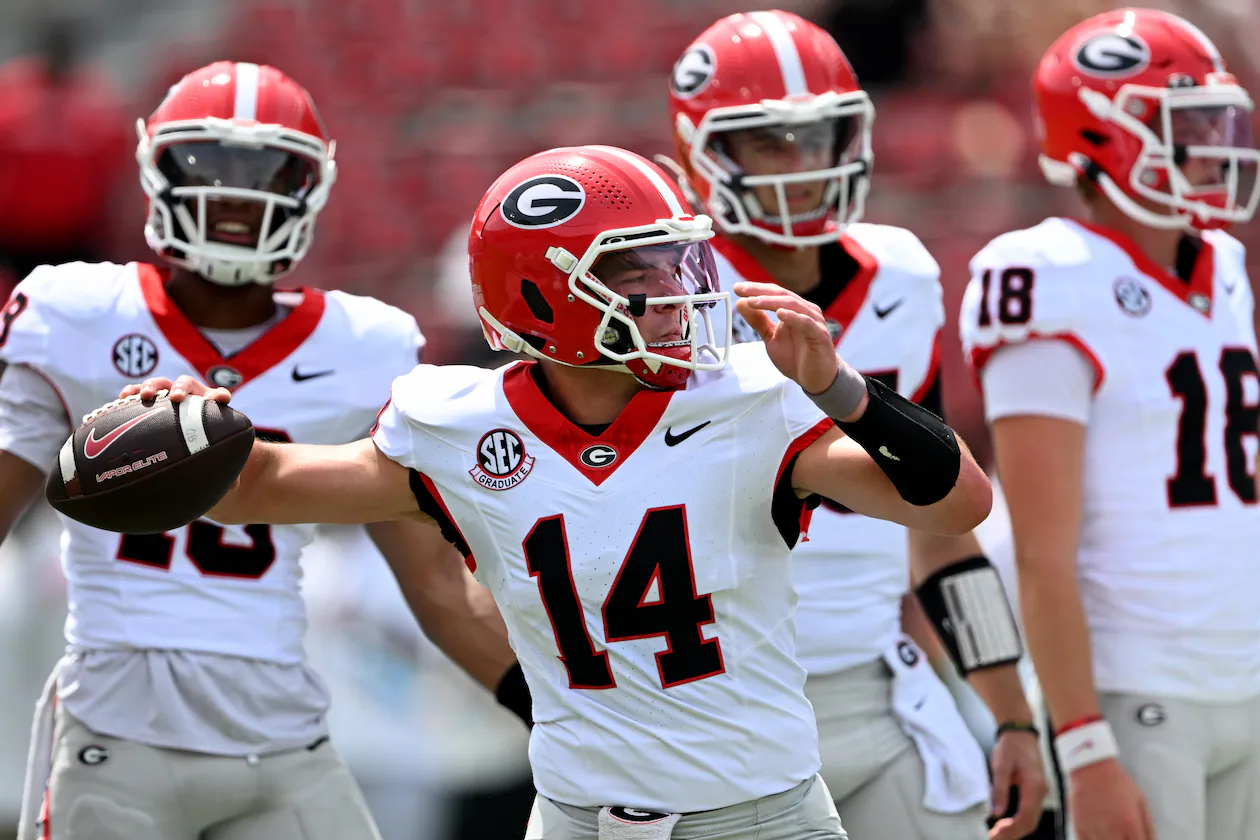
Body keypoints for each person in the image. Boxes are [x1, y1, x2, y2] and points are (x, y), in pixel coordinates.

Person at [123, 143, 993, 839]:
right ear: (542, 295)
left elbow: (959, 503)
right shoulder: (455, 425)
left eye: (678, 263)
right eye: (640, 274)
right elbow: (257, 488)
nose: (679, 295)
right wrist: (185, 423)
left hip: (757, 817)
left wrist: (842, 388)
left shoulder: (750, 400)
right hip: (577, 817)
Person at [0, 61, 519, 840]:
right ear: (157, 170)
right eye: (208, 164)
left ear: (310, 186)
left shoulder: (368, 346)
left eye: (266, 170)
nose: (235, 195)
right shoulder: (72, 313)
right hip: (115, 730)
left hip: (282, 740)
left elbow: (437, 585)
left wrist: (550, 707)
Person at [665, 11, 1046, 840]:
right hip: (710, 710)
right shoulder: (666, 298)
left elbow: (939, 524)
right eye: (770, 142)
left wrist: (1012, 713)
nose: (803, 167)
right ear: (704, 150)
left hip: (876, 690)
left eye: (823, 135)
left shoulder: (902, 272)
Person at [959, 9, 1260, 840]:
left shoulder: (1223, 263)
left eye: (1214, 119)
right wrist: (1085, 745)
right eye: (1184, 124)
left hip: (1244, 673)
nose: (1213, 143)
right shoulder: (1046, 274)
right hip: (1141, 687)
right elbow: (1046, 549)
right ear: (1103, 138)